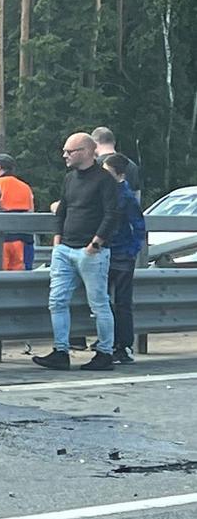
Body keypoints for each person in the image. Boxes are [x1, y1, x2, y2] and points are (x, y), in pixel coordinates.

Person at [33, 133, 122, 371]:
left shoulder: (104, 180)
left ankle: (105, 353)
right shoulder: (69, 179)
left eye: (69, 151)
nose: (64, 155)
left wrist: (95, 244)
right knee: (57, 301)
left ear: (84, 151)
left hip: (90, 251)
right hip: (65, 249)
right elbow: (62, 210)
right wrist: (57, 242)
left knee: (99, 304)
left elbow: (112, 214)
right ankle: (60, 351)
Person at [103, 153, 147, 365]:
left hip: (121, 255)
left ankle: (122, 345)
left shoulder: (125, 196)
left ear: (117, 173)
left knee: (121, 303)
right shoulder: (113, 192)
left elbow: (139, 226)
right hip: (110, 252)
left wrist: (132, 251)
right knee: (107, 302)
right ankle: (111, 342)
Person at [0, 153, 35, 271]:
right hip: (24, 239)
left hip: (3, 239)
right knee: (21, 278)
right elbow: (31, 211)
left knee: (0, 277)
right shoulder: (25, 187)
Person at [92, 127, 142, 201]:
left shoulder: (93, 166)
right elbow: (136, 196)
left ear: (94, 144)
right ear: (114, 142)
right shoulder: (132, 165)